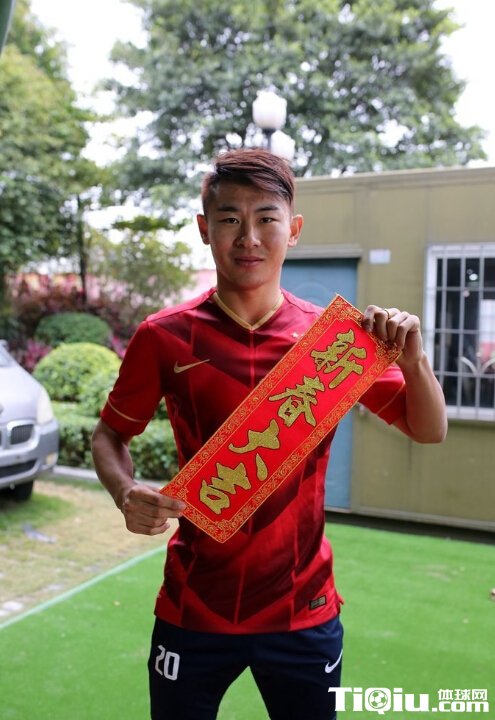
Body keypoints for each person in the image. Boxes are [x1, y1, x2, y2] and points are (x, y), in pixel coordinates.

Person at [91, 148, 447, 720]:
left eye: (266, 218)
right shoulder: (164, 336)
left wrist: (414, 362)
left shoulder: (336, 342)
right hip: (194, 605)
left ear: (294, 229)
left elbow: (428, 430)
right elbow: (109, 436)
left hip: (303, 607)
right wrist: (123, 490)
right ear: (204, 229)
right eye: (229, 219)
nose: (248, 237)